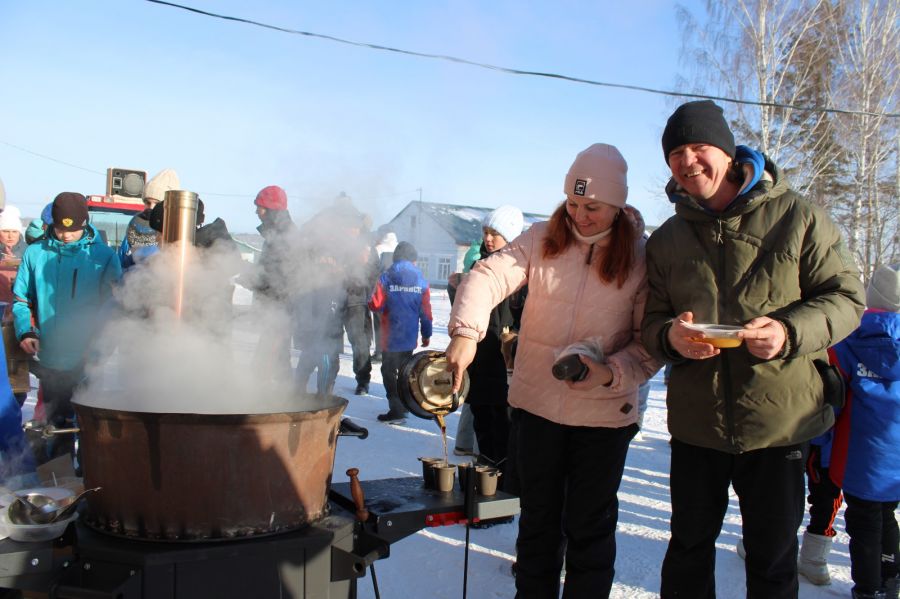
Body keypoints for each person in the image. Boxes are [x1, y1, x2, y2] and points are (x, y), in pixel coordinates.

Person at [641, 100, 866, 599]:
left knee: (772, 558)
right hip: (698, 425)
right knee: (687, 555)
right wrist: (669, 338)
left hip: (779, 426)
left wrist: (788, 332)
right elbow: (649, 319)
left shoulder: (799, 219)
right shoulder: (668, 239)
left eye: (699, 147)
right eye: (675, 152)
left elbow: (848, 299)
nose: (687, 160)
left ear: (726, 150)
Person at [446, 143, 658, 598]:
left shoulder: (640, 257)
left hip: (601, 419)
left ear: (618, 204)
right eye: (574, 203)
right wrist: (466, 331)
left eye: (594, 207)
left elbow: (649, 344)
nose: (580, 216)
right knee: (538, 529)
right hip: (537, 409)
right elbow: (488, 276)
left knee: (589, 532)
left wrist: (608, 373)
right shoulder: (543, 237)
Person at [12, 193, 122, 462]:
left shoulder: (103, 256)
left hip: (88, 358)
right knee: (55, 425)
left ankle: (90, 475)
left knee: (89, 427)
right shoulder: (35, 254)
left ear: (85, 223)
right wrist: (25, 331)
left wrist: (101, 347)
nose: (65, 235)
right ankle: (57, 480)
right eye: (61, 229)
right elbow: (21, 300)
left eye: (72, 230)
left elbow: (114, 306)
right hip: (50, 357)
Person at [826, 263, 899, 599]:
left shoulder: (847, 340)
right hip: (895, 459)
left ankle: (868, 589)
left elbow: (832, 397)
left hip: (859, 455)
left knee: (864, 522)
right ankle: (891, 575)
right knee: (886, 514)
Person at [455, 205, 525, 477]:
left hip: (508, 360)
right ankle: (486, 476)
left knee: (506, 425)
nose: (488, 238)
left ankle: (504, 481)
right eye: (486, 232)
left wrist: (516, 335)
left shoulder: (521, 269)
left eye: (495, 233)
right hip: (482, 356)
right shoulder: (477, 266)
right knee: (483, 421)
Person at [368, 241, 432, 424]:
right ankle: (404, 406)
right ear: (414, 260)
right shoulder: (421, 280)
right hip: (409, 337)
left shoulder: (386, 277)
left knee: (388, 371)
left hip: (390, 336)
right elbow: (426, 312)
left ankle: (397, 410)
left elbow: (375, 304)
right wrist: (426, 334)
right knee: (405, 371)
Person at [245, 185, 298, 383]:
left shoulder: (284, 236)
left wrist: (251, 278)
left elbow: (280, 277)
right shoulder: (277, 233)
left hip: (281, 308)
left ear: (269, 208)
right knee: (279, 361)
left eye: (258, 206)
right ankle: (285, 402)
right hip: (277, 308)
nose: (256, 211)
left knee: (264, 364)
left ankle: (264, 404)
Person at [118, 168, 179, 269]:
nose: (151, 207)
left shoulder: (173, 234)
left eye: (156, 203)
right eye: (148, 202)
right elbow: (121, 264)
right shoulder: (134, 227)